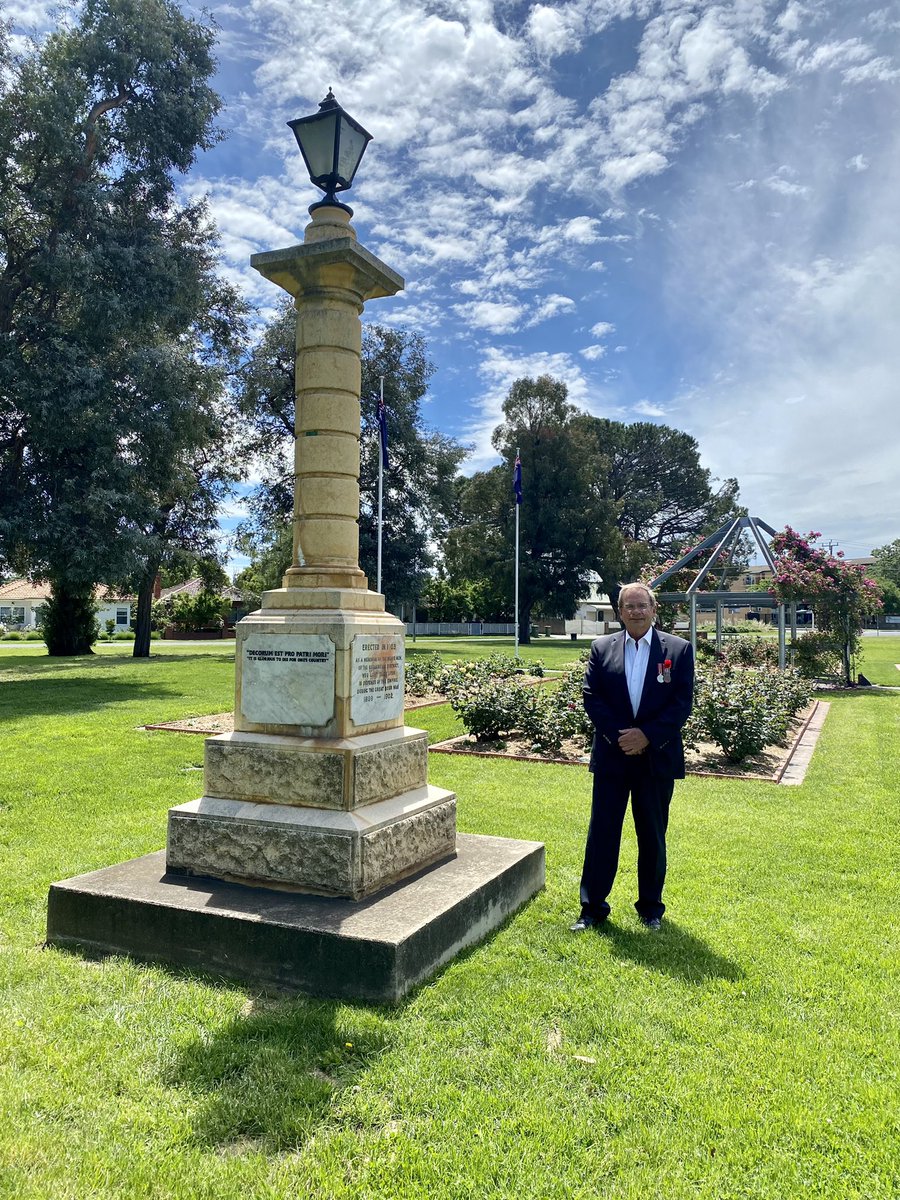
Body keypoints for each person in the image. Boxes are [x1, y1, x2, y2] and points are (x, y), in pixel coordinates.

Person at [571, 582, 694, 932]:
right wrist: (620, 736)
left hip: (656, 758)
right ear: (620, 611)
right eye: (630, 606)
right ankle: (592, 908)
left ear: (654, 609)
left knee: (652, 835)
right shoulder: (601, 648)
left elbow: (681, 704)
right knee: (602, 834)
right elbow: (592, 697)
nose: (637, 612)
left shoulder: (679, 649)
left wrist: (647, 736)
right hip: (613, 756)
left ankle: (651, 908)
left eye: (643, 605)